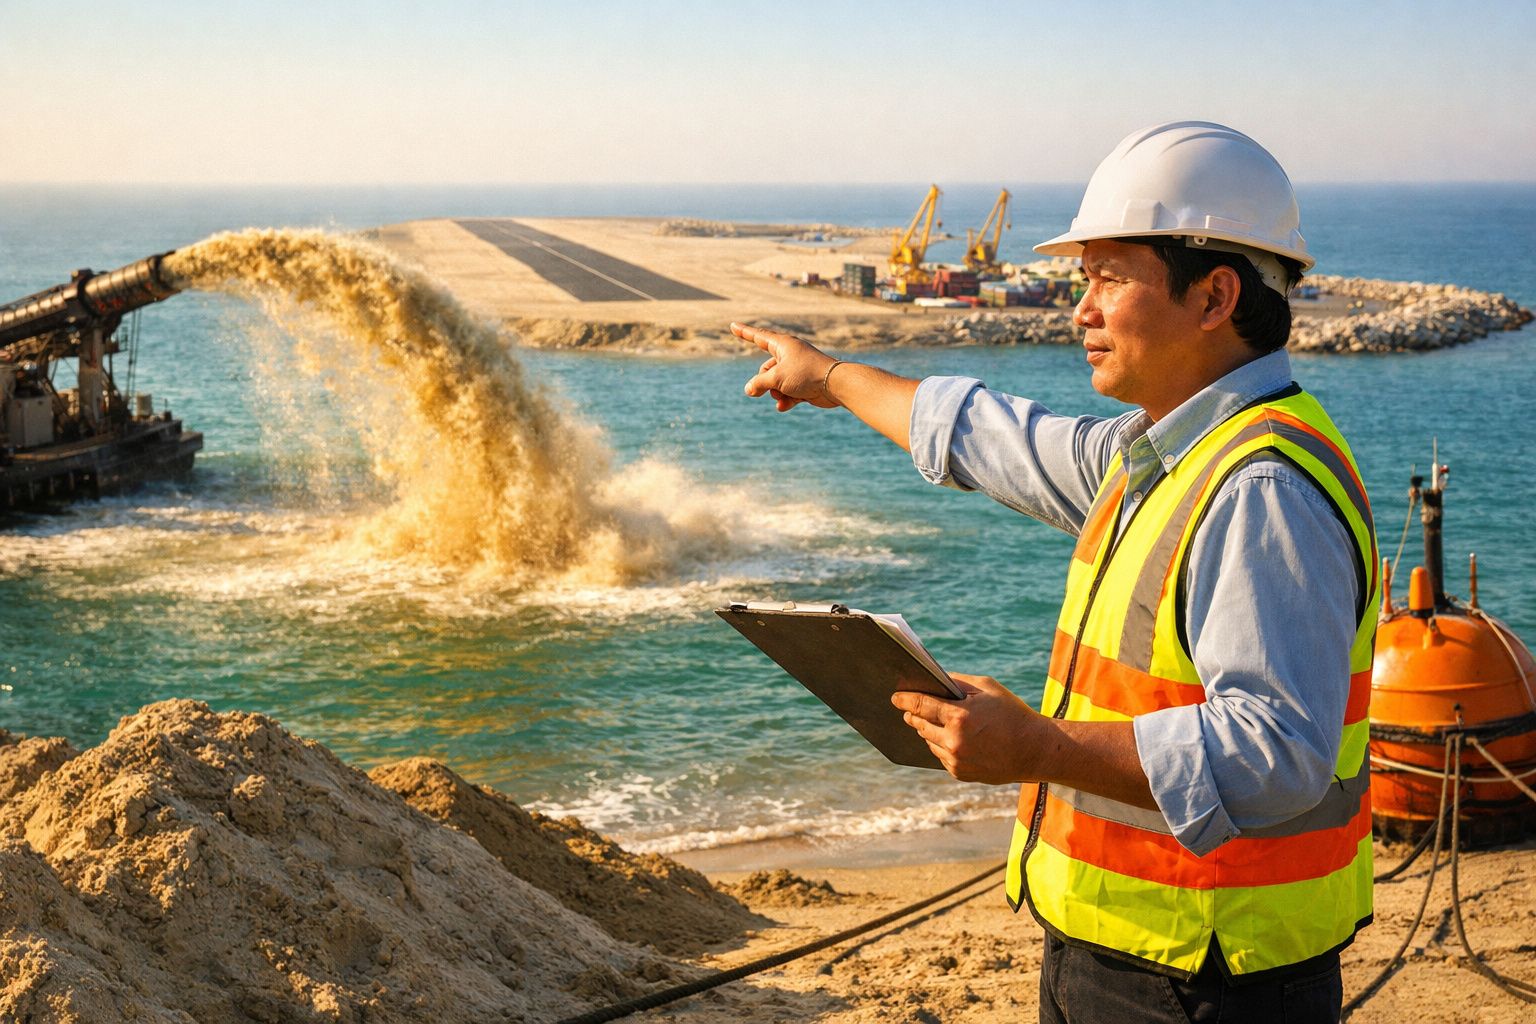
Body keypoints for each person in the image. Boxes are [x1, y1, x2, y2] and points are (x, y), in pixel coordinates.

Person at [733, 121, 1378, 1024]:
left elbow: (1278, 752)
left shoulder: (1258, 487)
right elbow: (1001, 439)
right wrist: (831, 377)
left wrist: (1039, 750)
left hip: (1207, 977)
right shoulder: (1164, 454)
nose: (1079, 311)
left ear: (1214, 297)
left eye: (1109, 278)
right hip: (1133, 951)